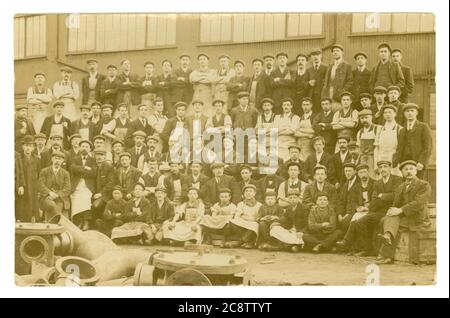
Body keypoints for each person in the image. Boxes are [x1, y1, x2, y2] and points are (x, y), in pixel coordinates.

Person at [376, 160, 431, 264]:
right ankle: (387, 241)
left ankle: (386, 254)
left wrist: (400, 210)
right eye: (405, 169)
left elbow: (419, 203)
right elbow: (396, 204)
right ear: (402, 173)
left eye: (411, 169)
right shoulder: (401, 187)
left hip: (418, 218)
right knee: (387, 219)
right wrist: (392, 210)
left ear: (416, 171)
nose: (408, 171)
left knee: (392, 224)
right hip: (405, 218)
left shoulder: (423, 185)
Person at [354, 161, 403, 256]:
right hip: (379, 211)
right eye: (380, 167)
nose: (383, 169)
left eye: (385, 166)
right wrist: (383, 198)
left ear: (390, 168)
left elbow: (396, 196)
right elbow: (374, 199)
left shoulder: (397, 179)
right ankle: (366, 249)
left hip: (392, 211)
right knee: (360, 222)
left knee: (381, 222)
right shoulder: (377, 183)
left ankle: (380, 252)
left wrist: (382, 196)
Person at [396, 103, 433, 179]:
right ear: (404, 114)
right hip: (404, 163)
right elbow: (399, 147)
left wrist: (422, 162)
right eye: (407, 111)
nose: (410, 113)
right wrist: (399, 161)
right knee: (406, 185)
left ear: (416, 113)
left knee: (418, 185)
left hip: (418, 163)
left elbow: (428, 146)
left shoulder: (423, 126)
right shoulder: (402, 130)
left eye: (412, 111)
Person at [69, 139, 96, 230]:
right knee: (75, 200)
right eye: (83, 146)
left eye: (87, 147)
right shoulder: (75, 158)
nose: (84, 148)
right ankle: (78, 221)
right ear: (80, 148)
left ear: (90, 149)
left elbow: (94, 172)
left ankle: (86, 222)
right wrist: (85, 168)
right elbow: (72, 168)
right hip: (76, 185)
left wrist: (80, 170)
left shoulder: (93, 160)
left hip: (87, 186)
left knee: (86, 199)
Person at [38, 151, 71, 220]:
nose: (57, 161)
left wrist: (57, 195)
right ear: (52, 159)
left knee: (59, 206)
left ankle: (55, 224)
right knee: (52, 205)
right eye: (56, 158)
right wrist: (50, 193)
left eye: (60, 159)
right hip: (46, 197)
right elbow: (41, 185)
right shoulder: (44, 171)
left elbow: (67, 189)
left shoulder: (65, 173)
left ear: (62, 161)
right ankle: (52, 224)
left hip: (60, 198)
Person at [227, 184, 262, 249]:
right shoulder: (241, 204)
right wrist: (245, 218)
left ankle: (241, 242)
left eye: (250, 191)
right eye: (246, 191)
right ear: (243, 194)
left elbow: (258, 219)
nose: (248, 193)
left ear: (254, 193)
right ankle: (249, 241)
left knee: (255, 225)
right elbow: (237, 217)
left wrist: (244, 217)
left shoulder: (259, 205)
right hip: (243, 223)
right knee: (232, 221)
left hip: (253, 224)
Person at [321, 44, 354, 111]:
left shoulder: (347, 66)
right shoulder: (330, 66)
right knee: (329, 110)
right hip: (329, 92)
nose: (335, 52)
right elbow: (326, 80)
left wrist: (342, 91)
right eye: (334, 51)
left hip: (339, 93)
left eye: (337, 51)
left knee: (338, 110)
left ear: (342, 53)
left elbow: (350, 81)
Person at [17, 136, 41, 222]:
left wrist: (38, 189)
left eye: (30, 146)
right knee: (22, 207)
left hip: (34, 188)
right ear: (23, 146)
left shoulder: (37, 159)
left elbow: (39, 175)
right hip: (23, 187)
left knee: (33, 208)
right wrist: (20, 185)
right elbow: (18, 173)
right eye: (26, 145)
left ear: (33, 147)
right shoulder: (19, 158)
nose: (28, 148)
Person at [374, 104, 403, 175]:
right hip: (381, 160)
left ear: (395, 114)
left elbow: (401, 149)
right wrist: (375, 165)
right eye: (385, 112)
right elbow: (376, 148)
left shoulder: (400, 129)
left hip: (394, 161)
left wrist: (396, 161)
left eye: (390, 112)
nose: (387, 114)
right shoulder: (379, 129)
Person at [91, 147, 115, 225]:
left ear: (105, 156)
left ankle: (97, 225)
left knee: (95, 206)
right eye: (97, 155)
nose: (99, 157)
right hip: (95, 193)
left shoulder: (109, 167)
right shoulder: (93, 166)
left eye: (101, 155)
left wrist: (100, 194)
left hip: (105, 194)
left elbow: (111, 183)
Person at [336, 162, 361, 233]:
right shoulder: (345, 185)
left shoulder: (359, 183)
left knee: (345, 222)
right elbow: (340, 201)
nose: (347, 173)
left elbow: (356, 202)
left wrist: (347, 214)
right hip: (344, 212)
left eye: (349, 171)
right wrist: (339, 214)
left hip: (354, 211)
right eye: (346, 171)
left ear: (355, 172)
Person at [356, 109, 381, 179]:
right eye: (362, 118)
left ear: (371, 117)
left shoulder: (377, 128)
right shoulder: (360, 132)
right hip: (363, 159)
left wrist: (377, 164)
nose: (364, 120)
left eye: (366, 117)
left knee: (374, 178)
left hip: (374, 158)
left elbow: (379, 147)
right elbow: (359, 149)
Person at [305, 48, 328, 113]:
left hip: (322, 95)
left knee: (323, 112)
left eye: (317, 55)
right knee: (313, 113)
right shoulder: (308, 69)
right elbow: (304, 83)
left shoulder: (326, 67)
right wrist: (309, 83)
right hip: (311, 96)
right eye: (313, 55)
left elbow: (327, 81)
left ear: (321, 55)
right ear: (311, 57)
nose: (315, 57)